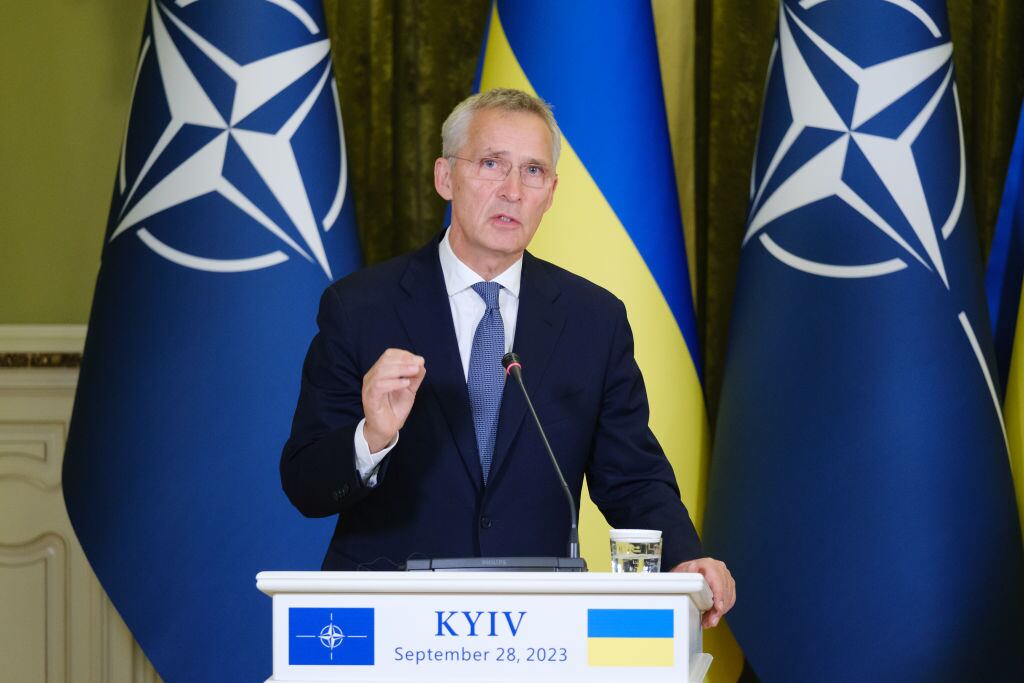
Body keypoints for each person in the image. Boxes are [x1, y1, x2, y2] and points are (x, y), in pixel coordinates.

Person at [281, 88, 735, 628]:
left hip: (538, 626)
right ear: (445, 177)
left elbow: (632, 475)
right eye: (492, 164)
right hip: (389, 622)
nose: (513, 190)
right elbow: (306, 483)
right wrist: (370, 437)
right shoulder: (359, 308)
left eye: (534, 171)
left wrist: (686, 560)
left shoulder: (594, 320)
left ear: (551, 192)